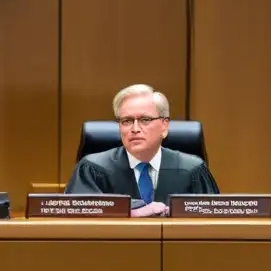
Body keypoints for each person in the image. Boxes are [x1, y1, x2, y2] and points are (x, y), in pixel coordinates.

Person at [65, 84, 218, 203]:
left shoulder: (193, 171)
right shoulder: (92, 169)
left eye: (145, 120)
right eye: (127, 121)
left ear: (164, 126)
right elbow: (81, 221)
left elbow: (212, 225)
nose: (135, 129)